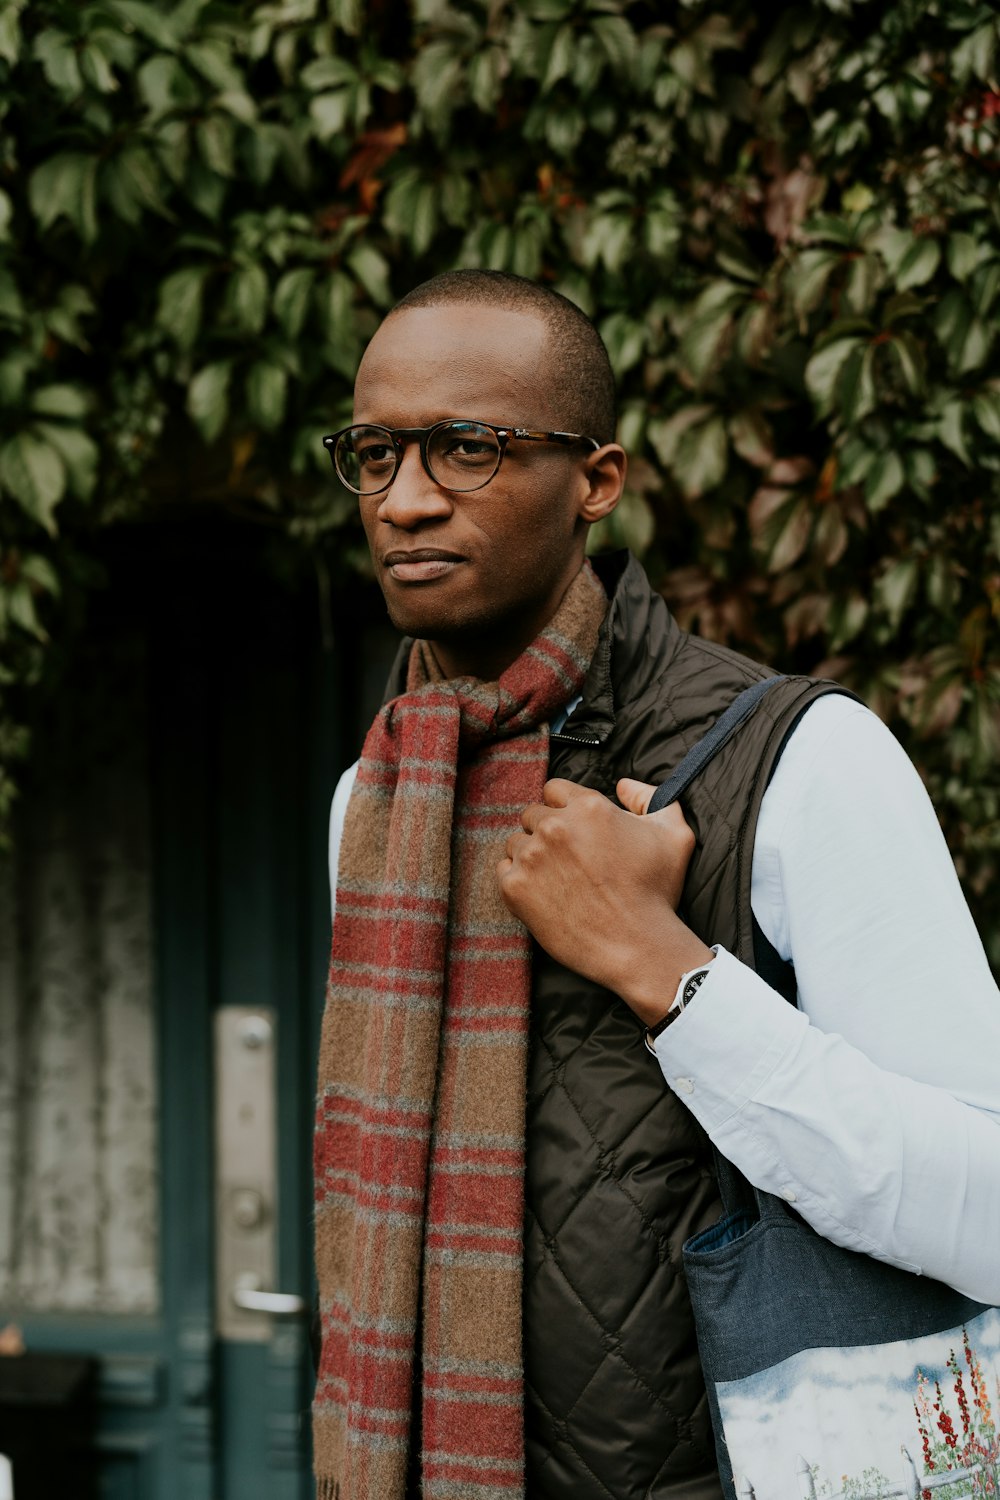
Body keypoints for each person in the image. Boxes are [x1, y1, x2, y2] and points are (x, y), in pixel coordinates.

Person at [312, 269, 1000, 1500]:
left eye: (467, 448)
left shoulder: (797, 760)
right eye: (375, 451)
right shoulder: (376, 806)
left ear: (597, 480)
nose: (404, 501)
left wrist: (668, 973)